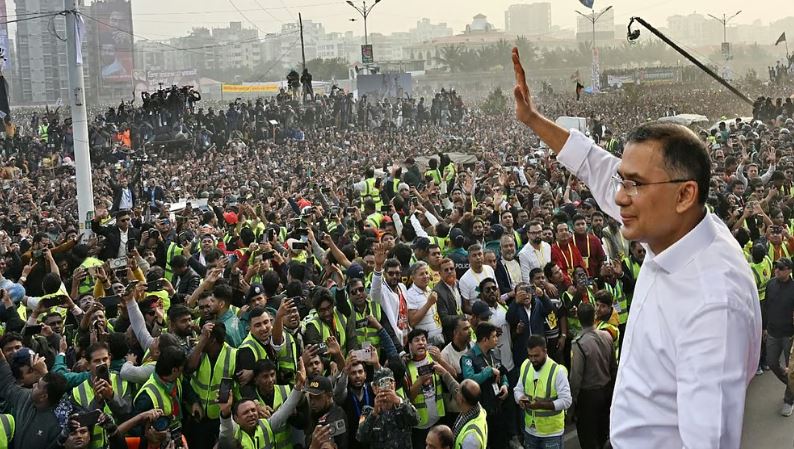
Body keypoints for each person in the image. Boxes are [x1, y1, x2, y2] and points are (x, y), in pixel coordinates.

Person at [513, 47, 762, 448]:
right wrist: (532, 120)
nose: (621, 196)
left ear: (685, 194)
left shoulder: (714, 302)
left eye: (634, 184)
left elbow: (709, 441)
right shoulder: (672, 226)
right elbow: (594, 164)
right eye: (622, 181)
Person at [0, 345, 69, 449]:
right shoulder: (24, 397)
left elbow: (63, 401)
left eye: (38, 386)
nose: (34, 385)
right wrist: (1, 359)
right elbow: (8, 384)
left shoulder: (59, 421)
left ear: (44, 396)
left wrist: (44, 372)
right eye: (30, 371)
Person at [569, 303, 616, 449]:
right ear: (594, 316)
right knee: (604, 434)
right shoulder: (607, 336)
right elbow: (613, 367)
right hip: (607, 391)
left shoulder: (579, 343)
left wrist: (572, 404)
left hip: (588, 397)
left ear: (578, 318)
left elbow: (576, 377)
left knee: (589, 438)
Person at [513, 335, 571, 449]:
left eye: (536, 356)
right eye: (530, 356)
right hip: (530, 431)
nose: (533, 360)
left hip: (552, 434)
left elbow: (567, 401)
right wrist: (520, 398)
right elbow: (518, 389)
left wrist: (541, 405)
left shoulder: (557, 371)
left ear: (545, 351)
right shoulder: (526, 365)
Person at [459, 322, 507, 449]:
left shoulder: (495, 352)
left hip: (497, 406)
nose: (497, 339)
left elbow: (502, 372)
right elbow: (469, 379)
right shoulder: (468, 358)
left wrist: (505, 385)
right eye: (494, 336)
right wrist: (488, 371)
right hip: (481, 411)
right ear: (485, 339)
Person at [356, 367, 419, 449]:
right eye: (382, 383)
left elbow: (416, 420)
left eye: (390, 382)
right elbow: (361, 437)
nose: (387, 386)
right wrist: (374, 414)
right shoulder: (367, 411)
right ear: (374, 389)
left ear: (395, 385)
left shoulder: (403, 406)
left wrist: (398, 401)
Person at [763, 257, 794, 416]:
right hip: (773, 332)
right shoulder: (770, 285)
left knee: (792, 370)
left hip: (789, 336)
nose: (777, 271)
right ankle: (791, 385)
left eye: (781, 268)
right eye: (776, 268)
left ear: (789, 270)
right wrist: (765, 328)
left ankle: (789, 399)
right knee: (772, 363)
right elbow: (767, 306)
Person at [451, 379, 488, 449]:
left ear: (461, 399)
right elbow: (453, 386)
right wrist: (444, 373)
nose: (456, 392)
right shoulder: (477, 408)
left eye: (458, 391)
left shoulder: (471, 439)